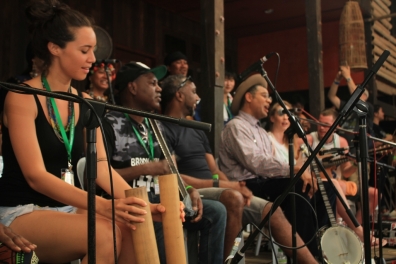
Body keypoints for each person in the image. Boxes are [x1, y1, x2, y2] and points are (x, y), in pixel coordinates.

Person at [0, 1, 181, 263]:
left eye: (93, 50)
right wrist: (104, 205)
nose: (93, 59)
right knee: (105, 234)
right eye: (85, 50)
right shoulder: (22, 96)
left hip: (66, 209)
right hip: (21, 211)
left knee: (133, 225)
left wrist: (148, 208)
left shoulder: (83, 100)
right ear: (54, 48)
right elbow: (36, 176)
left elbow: (100, 163)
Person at [160, 74, 318, 263]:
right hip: (190, 190)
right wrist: (227, 186)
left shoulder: (196, 128)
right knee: (233, 198)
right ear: (179, 95)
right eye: (193, 92)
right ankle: (231, 260)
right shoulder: (162, 128)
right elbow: (174, 177)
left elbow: (214, 169)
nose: (198, 97)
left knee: (271, 209)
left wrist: (234, 185)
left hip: (215, 187)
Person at [103, 62, 226, 264]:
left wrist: (188, 189)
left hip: (164, 203)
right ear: (132, 87)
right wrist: (146, 169)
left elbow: (171, 172)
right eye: (152, 83)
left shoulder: (156, 125)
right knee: (161, 220)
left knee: (216, 212)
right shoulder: (109, 122)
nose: (159, 88)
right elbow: (101, 176)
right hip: (132, 208)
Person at [218, 74, 338, 258]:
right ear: (249, 97)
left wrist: (296, 171)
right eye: (264, 96)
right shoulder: (236, 126)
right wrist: (294, 169)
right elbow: (256, 163)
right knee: (298, 187)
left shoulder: (260, 131)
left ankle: (322, 249)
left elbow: (269, 165)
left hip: (265, 184)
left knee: (325, 187)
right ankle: (309, 258)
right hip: (247, 186)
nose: (269, 100)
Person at [327, 65, 374, 149]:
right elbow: (331, 96)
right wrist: (337, 80)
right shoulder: (347, 106)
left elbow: (356, 96)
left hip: (357, 149)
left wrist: (348, 77)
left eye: (356, 90)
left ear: (365, 96)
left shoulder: (368, 107)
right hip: (341, 146)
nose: (352, 92)